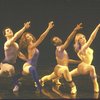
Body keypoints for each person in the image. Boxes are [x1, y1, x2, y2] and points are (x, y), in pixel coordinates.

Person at [40, 23, 83, 94]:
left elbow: (68, 61)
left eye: (57, 38)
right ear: (54, 44)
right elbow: (68, 40)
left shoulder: (61, 50)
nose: (58, 39)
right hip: (61, 68)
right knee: (66, 71)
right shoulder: (60, 48)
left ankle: (41, 80)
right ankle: (73, 87)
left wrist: (79, 62)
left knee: (50, 77)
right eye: (55, 39)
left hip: (58, 68)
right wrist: (75, 30)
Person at [13, 21, 54, 93]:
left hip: (31, 65)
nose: (29, 36)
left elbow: (28, 57)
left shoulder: (32, 46)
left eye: (30, 35)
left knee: (21, 75)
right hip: (28, 66)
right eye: (27, 37)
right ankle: (38, 85)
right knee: (32, 69)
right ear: (26, 40)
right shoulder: (31, 46)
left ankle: (15, 80)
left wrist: (24, 57)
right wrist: (48, 28)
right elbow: (41, 38)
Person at [70, 24, 100, 93]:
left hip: (82, 66)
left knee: (67, 74)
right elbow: (92, 38)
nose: (83, 38)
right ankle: (95, 84)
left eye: (83, 37)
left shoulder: (84, 47)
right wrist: (97, 27)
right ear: (78, 41)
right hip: (83, 67)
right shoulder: (83, 48)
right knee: (92, 67)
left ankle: (52, 78)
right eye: (80, 38)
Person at [1, 21, 30, 89]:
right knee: (11, 69)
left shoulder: (16, 44)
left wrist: (28, 60)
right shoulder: (7, 43)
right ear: (5, 35)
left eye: (10, 30)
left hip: (13, 64)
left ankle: (15, 80)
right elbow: (16, 36)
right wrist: (24, 28)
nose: (10, 31)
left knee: (25, 72)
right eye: (8, 31)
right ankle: (16, 85)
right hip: (5, 64)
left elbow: (19, 54)